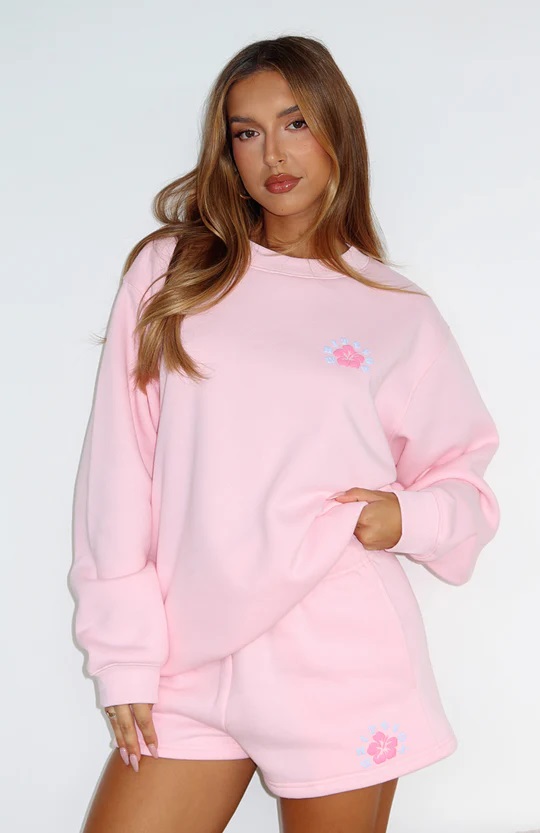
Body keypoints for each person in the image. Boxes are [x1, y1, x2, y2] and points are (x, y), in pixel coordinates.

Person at [68, 34, 500, 833]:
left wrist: (407, 517)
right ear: (227, 150)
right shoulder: (172, 273)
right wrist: (123, 653)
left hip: (338, 656)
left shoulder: (396, 311)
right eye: (247, 131)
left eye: (295, 122)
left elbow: (466, 484)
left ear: (337, 129)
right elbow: (118, 477)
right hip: (187, 658)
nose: (273, 152)